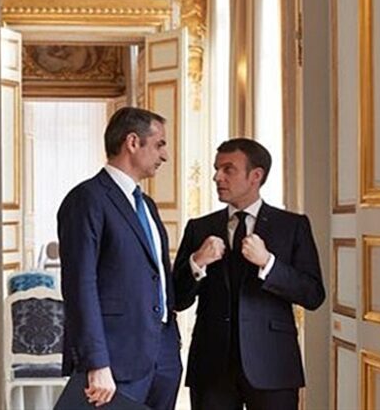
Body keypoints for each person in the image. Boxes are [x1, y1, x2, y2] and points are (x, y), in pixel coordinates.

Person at [172, 138, 326, 410]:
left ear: (256, 176)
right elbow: (177, 299)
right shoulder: (199, 228)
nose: (217, 177)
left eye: (228, 170)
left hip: (273, 364)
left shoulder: (292, 226)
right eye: (216, 169)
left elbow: (313, 295)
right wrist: (198, 262)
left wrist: (268, 263)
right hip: (211, 366)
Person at [58, 107, 181, 409]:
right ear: (133, 142)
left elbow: (154, 276)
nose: (165, 155)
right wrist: (96, 362)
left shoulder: (147, 205)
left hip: (163, 357)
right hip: (115, 360)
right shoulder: (86, 199)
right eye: (160, 144)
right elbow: (80, 285)